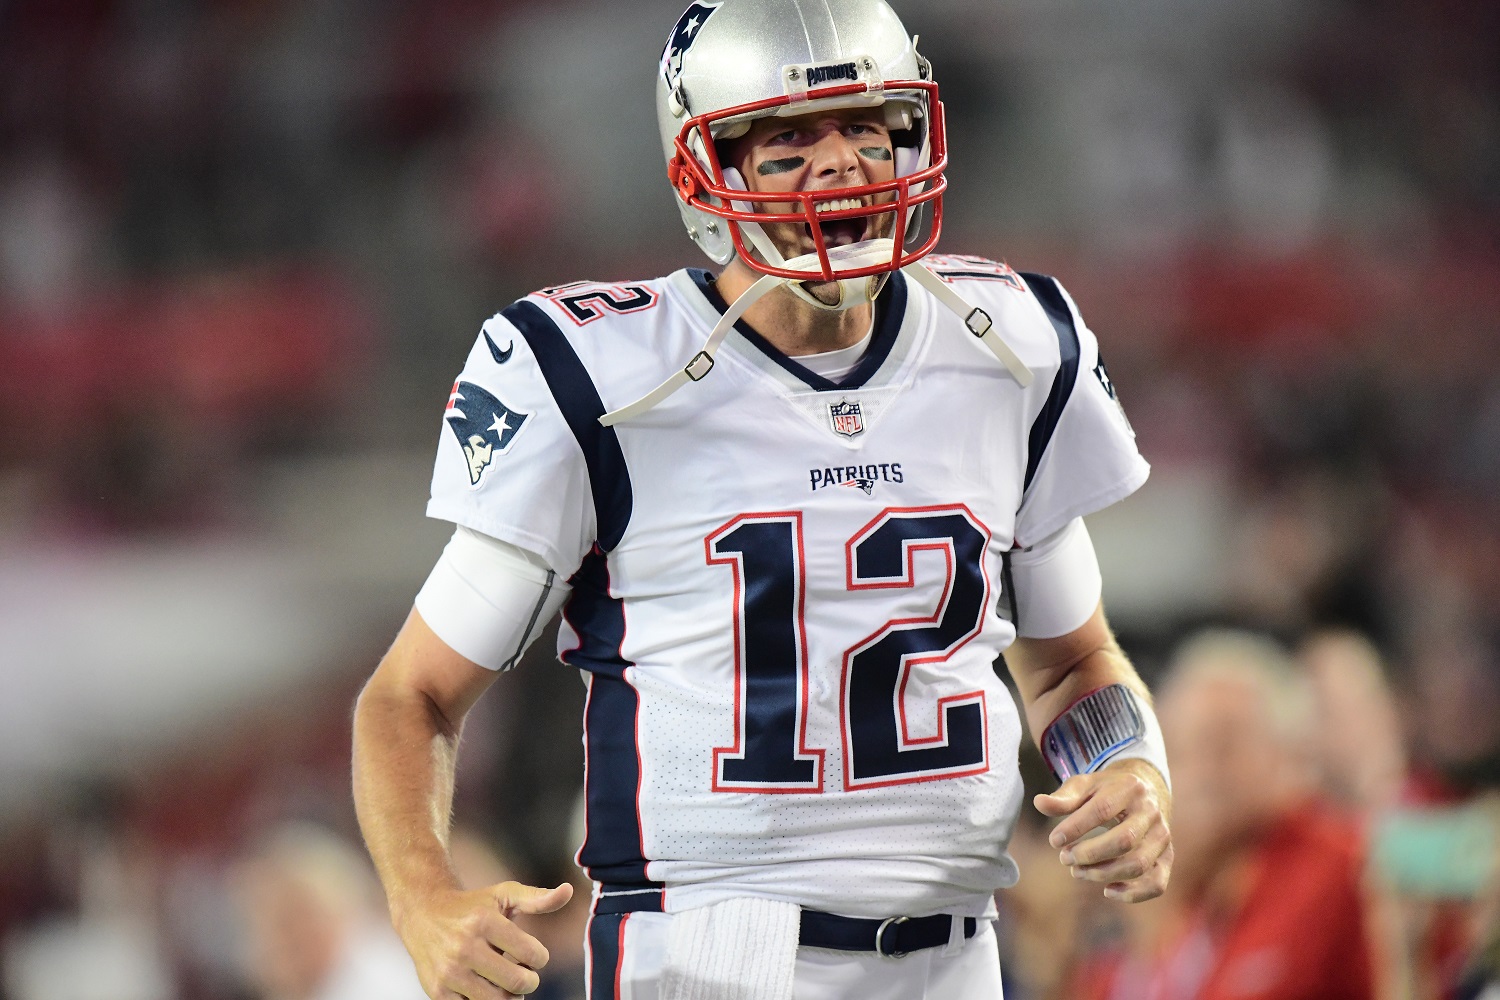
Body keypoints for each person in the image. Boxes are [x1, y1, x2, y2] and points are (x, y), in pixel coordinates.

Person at [351, 2, 1173, 997]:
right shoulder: (609, 376)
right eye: (789, 142)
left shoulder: (1009, 346)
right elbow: (412, 695)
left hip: (959, 952)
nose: (840, 167)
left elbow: (1075, 664)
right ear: (710, 170)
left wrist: (1132, 767)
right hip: (707, 952)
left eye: (867, 129)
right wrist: (421, 895)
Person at [1071, 630, 1375, 1000]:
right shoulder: (1167, 888)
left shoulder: (1346, 867)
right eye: (1181, 750)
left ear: (1290, 752)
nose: (1201, 772)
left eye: (1223, 744)